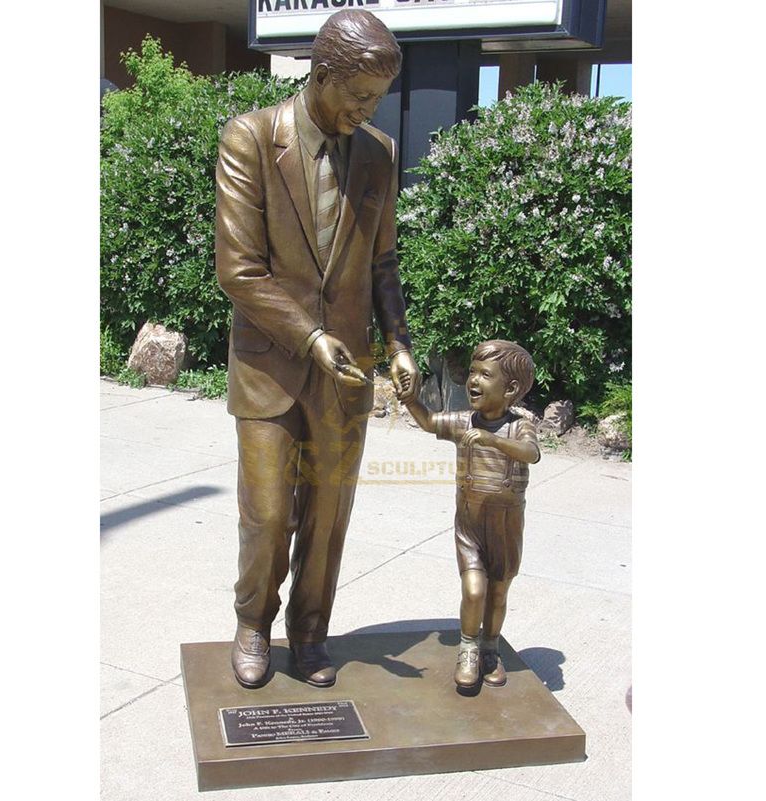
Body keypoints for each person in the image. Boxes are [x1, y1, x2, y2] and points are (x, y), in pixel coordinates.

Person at [215, 9, 421, 689]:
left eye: (377, 100)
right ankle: (253, 621)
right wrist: (309, 335)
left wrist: (398, 341)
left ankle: (310, 631)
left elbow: (383, 263)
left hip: (347, 372)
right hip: (270, 362)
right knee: (269, 513)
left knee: (330, 514)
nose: (366, 110)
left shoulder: (378, 154)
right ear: (322, 75)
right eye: (358, 96)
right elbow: (239, 270)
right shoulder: (250, 140)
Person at [400, 340, 540, 689]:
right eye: (473, 372)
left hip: (506, 525)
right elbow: (431, 422)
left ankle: (490, 648)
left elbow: (531, 453)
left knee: (498, 590)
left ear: (510, 389)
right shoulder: (464, 421)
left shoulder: (518, 427)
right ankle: (468, 649)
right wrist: (410, 400)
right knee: (474, 589)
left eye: (485, 374)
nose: (473, 380)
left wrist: (492, 442)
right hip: (470, 524)